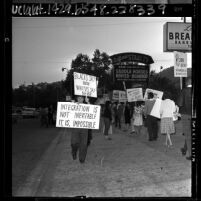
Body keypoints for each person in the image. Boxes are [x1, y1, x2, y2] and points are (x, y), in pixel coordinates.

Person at [70, 95, 89, 163]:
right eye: (79, 98)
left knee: (83, 144)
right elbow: (69, 113)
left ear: (83, 99)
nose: (80, 99)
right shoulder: (74, 105)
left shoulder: (87, 105)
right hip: (75, 127)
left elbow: (92, 111)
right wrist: (72, 104)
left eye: (81, 98)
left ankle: (82, 158)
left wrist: (88, 102)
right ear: (77, 99)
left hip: (84, 128)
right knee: (74, 143)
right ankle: (74, 152)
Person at [177, 77, 192, 160]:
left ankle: (191, 154)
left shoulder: (184, 90)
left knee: (188, 135)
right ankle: (185, 148)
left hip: (186, 115)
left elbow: (180, 103)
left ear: (187, 83)